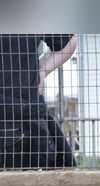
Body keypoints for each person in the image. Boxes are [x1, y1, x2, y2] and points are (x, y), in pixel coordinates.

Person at [1, 34, 78, 170]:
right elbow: (69, 41)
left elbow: (69, 40)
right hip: (24, 119)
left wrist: (41, 70)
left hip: (22, 122)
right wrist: (41, 70)